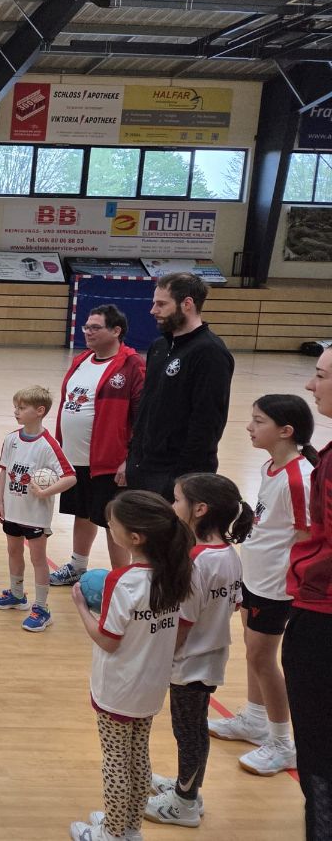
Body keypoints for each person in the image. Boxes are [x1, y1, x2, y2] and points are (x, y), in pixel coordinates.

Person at [68, 491, 194, 841]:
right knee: (138, 757)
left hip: (118, 688)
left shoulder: (122, 581)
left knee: (115, 761)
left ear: (135, 537)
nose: (109, 528)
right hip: (151, 687)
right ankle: (130, 827)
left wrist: (81, 607)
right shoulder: (175, 573)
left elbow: (108, 640)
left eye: (112, 525)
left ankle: (110, 832)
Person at [210, 395, 316, 776]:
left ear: (285, 431)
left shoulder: (298, 478)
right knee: (254, 653)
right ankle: (255, 720)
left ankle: (283, 743)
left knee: (262, 658)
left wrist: (295, 587)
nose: (249, 427)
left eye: (258, 421)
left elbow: (307, 537)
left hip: (276, 586)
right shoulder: (271, 467)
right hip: (255, 578)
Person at [146, 474, 247, 828]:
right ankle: (186, 788)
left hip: (188, 661)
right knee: (195, 729)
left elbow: (184, 622)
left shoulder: (196, 560)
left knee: (188, 733)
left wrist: (161, 658)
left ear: (200, 509)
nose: (172, 506)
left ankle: (185, 802)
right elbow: (234, 602)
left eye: (177, 500)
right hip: (212, 655)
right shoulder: (229, 554)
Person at [50, 305, 145, 586]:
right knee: (83, 513)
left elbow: (142, 416)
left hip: (109, 461)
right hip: (75, 458)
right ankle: (77, 566)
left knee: (113, 520)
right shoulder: (81, 360)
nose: (88, 332)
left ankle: (121, 579)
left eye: (95, 328)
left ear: (116, 331)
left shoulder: (132, 365)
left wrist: (130, 457)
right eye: (86, 327)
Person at [125, 273, 234, 500]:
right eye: (154, 303)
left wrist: (182, 478)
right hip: (144, 467)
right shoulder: (159, 347)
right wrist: (133, 456)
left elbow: (208, 423)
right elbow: (146, 407)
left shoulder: (210, 352)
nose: (153, 310)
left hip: (178, 476)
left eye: (161, 304)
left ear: (187, 304)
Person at [284, 347, 332, 838]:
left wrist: (302, 577)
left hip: (322, 615)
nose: (310, 385)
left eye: (319, 375)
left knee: (318, 746)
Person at [0, 386, 76, 632]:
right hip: (13, 510)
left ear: (39, 411)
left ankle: (42, 608)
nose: (16, 412)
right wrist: (0, 501)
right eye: (15, 407)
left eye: (22, 408)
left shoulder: (48, 445)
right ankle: (17, 595)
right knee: (13, 552)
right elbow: (4, 471)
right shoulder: (11, 439)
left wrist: (46, 492)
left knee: (38, 559)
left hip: (35, 515)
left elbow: (70, 477)